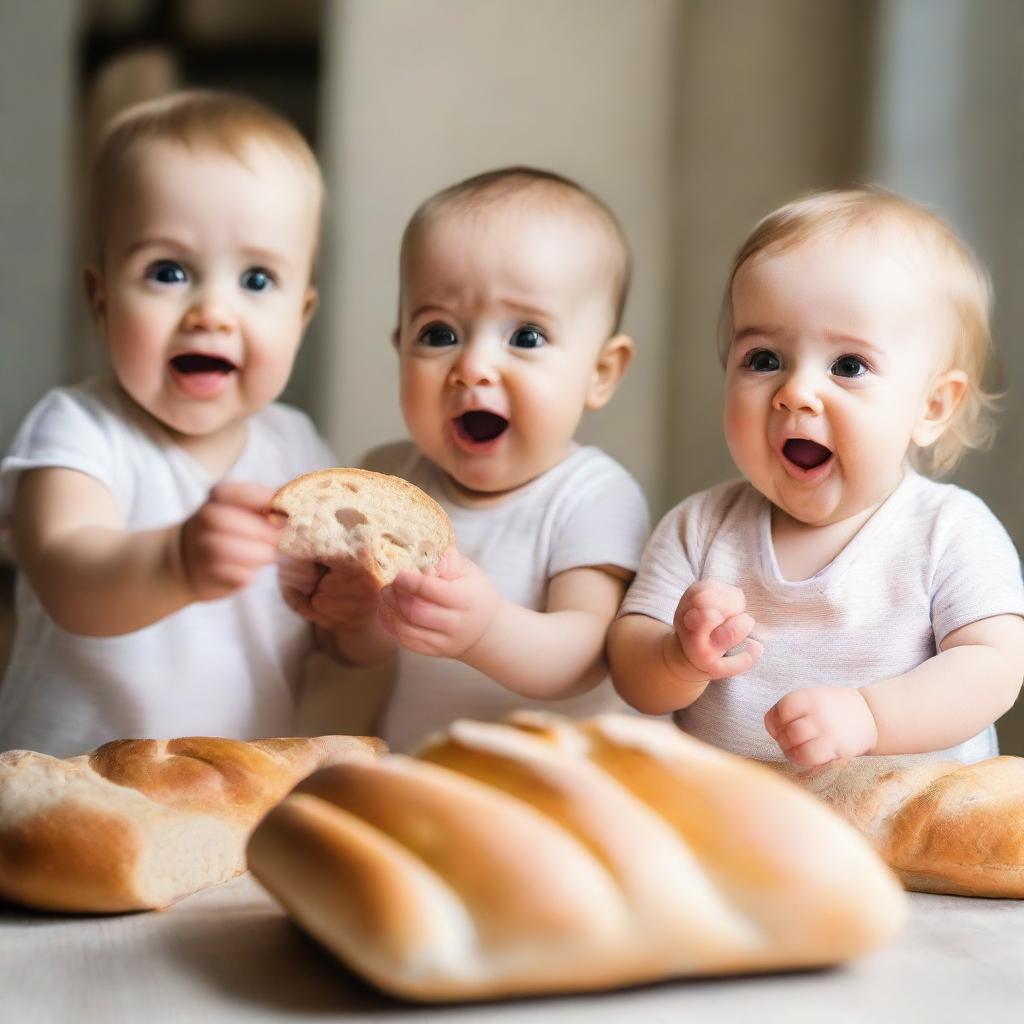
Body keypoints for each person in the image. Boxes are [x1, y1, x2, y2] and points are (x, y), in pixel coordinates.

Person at [608, 186, 1024, 768]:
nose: (795, 392)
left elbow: (994, 668)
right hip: (731, 827)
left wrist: (871, 716)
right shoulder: (699, 528)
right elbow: (631, 670)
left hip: (902, 832)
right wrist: (678, 658)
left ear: (931, 406)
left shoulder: (949, 531)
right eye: (763, 359)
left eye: (848, 366)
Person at [0, 90, 337, 756]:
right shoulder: (77, 431)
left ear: (301, 315)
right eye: (169, 271)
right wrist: (175, 562)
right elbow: (69, 575)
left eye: (257, 280)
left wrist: (352, 619)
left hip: (230, 790)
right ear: (101, 300)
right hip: (74, 788)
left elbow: (327, 635)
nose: (211, 311)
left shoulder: (298, 448)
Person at [286, 168, 650, 751]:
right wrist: (351, 617)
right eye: (438, 334)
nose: (474, 365)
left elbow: (586, 652)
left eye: (526, 337)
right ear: (399, 346)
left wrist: (486, 631)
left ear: (600, 372)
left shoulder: (591, 495)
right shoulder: (388, 478)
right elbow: (363, 654)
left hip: (550, 780)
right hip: (418, 767)